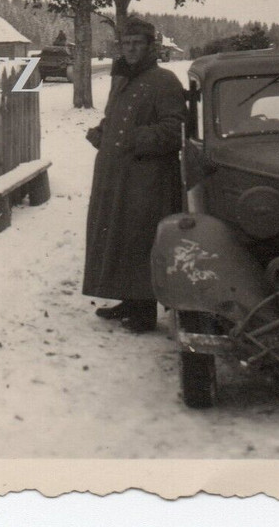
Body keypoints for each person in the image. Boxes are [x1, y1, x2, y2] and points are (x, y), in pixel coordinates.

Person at [83, 17, 186, 333]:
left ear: (150, 46)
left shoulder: (165, 81)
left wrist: (133, 138)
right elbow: (112, 117)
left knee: (141, 240)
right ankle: (128, 300)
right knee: (118, 239)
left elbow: (174, 130)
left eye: (137, 44)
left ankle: (144, 312)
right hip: (117, 175)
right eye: (126, 44)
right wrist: (102, 131)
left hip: (148, 179)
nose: (130, 49)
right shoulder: (121, 80)